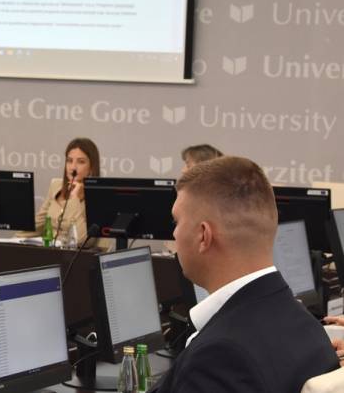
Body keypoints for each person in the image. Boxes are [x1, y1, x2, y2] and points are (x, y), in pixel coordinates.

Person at [150, 156, 338, 393]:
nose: (175, 234)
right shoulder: (305, 324)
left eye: (176, 222)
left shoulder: (218, 357)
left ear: (203, 235)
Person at [17, 138, 104, 247]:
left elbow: (81, 240)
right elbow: (39, 223)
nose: (73, 167)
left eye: (81, 162)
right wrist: (12, 240)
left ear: (91, 167)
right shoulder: (56, 185)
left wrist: (75, 198)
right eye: (69, 161)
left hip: (76, 254)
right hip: (48, 250)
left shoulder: (98, 196)